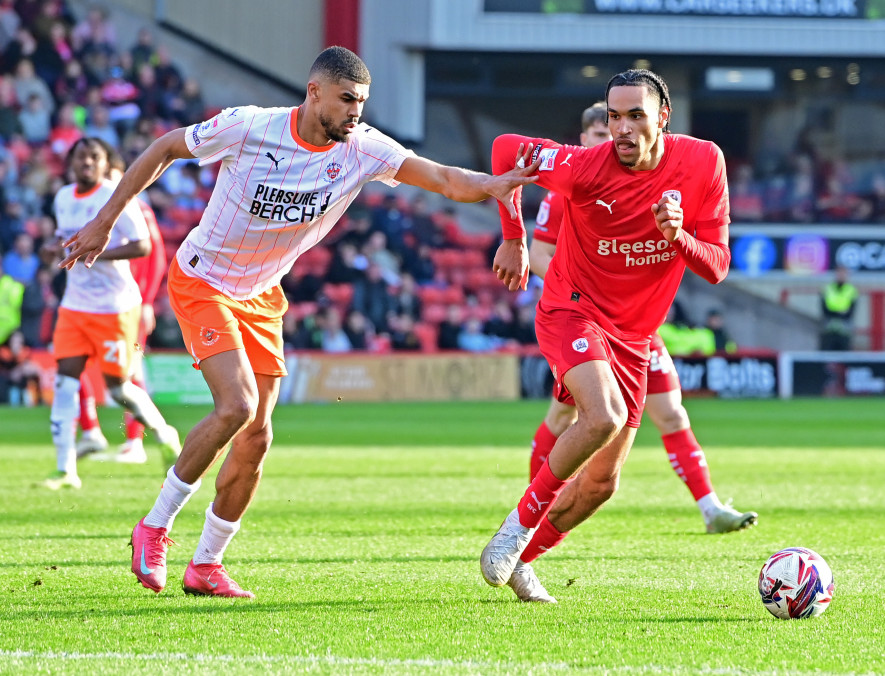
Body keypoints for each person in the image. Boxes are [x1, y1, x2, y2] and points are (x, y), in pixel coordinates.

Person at [58, 46, 538, 598]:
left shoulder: (363, 149)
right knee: (235, 407)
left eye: (362, 102)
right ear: (314, 93)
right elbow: (167, 147)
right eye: (347, 100)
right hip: (204, 280)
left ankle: (206, 563)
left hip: (262, 295)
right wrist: (104, 219)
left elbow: (448, 180)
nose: (356, 112)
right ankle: (155, 526)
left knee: (257, 436)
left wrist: (494, 184)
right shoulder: (250, 126)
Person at [481, 69, 740, 604]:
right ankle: (514, 530)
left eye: (635, 115)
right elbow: (505, 149)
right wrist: (513, 238)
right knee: (604, 416)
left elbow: (717, 267)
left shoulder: (702, 162)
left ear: (663, 118)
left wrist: (679, 236)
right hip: (571, 310)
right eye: (614, 115)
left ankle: (524, 563)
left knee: (601, 485)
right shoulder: (581, 167)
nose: (621, 128)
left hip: (633, 336)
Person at [526, 103, 755, 564]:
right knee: (564, 421)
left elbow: (710, 259)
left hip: (638, 330)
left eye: (611, 129)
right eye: (598, 130)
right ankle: (532, 510)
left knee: (671, 413)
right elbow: (538, 255)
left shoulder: (655, 177)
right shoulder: (567, 189)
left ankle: (710, 506)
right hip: (582, 321)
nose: (605, 139)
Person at [41, 137, 181, 491]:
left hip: (114, 306)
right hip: (74, 305)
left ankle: (163, 433)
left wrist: (95, 251)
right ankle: (65, 470)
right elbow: (67, 241)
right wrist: (54, 250)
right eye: (80, 157)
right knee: (64, 381)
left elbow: (144, 246)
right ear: (71, 163)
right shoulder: (62, 197)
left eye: (94, 157)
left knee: (118, 388)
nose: (86, 163)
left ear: (105, 164)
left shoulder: (115, 195)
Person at [77, 148, 171, 465]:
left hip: (128, 304)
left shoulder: (138, 209)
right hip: (99, 303)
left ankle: (136, 441)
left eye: (115, 178)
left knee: (129, 371)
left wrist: (146, 300)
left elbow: (154, 258)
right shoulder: (105, 208)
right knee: (75, 365)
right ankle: (93, 433)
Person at [819, 266, 858, 351]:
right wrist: (840, 312)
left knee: (846, 357)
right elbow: (824, 310)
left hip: (844, 330)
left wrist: (835, 312)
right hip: (828, 329)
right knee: (825, 354)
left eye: (843, 273)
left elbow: (851, 312)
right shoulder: (828, 289)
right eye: (839, 273)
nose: (841, 275)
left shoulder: (851, 290)